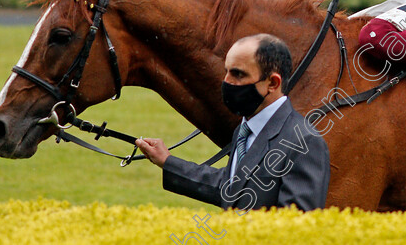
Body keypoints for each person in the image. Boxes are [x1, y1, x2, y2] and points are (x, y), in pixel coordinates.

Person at [136, 34, 330, 212]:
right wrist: (168, 162)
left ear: (273, 83)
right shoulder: (244, 129)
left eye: (238, 74)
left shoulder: (305, 143)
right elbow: (234, 187)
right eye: (226, 71)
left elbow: (298, 227)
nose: (226, 82)